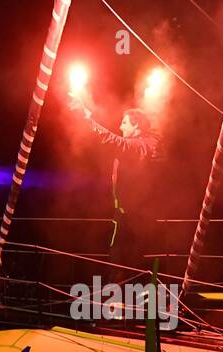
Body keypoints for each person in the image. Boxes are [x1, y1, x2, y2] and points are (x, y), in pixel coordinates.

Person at [69, 98, 162, 278]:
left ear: (137, 127)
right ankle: (120, 300)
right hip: (125, 216)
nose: (121, 127)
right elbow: (112, 143)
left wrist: (89, 122)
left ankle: (129, 302)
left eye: (125, 123)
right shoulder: (137, 145)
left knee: (128, 263)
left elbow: (115, 142)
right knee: (118, 261)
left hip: (135, 219)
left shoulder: (142, 146)